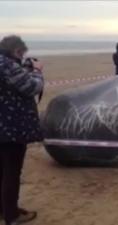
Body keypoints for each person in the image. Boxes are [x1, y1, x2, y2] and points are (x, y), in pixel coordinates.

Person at [0, 35, 44, 225]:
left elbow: (11, 84)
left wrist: (24, 70)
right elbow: (31, 87)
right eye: (21, 54)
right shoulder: (8, 65)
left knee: (1, 171)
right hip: (11, 128)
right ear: (17, 51)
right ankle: (12, 215)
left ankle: (3, 210)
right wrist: (37, 72)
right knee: (11, 172)